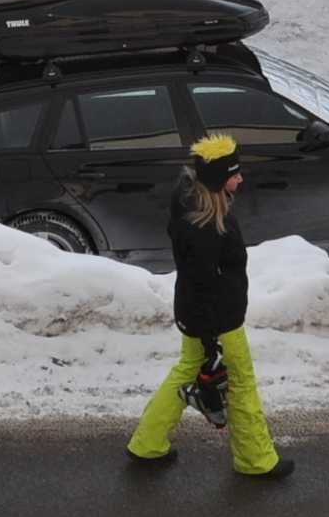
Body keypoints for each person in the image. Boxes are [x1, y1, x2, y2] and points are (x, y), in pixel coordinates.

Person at [126, 135, 294, 481]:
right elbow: (205, 282)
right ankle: (256, 460)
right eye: (235, 174)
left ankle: (147, 443)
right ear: (218, 180)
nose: (241, 179)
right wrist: (211, 341)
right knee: (241, 384)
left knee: (187, 371)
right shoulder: (204, 225)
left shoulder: (191, 203)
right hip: (218, 321)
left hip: (195, 313)